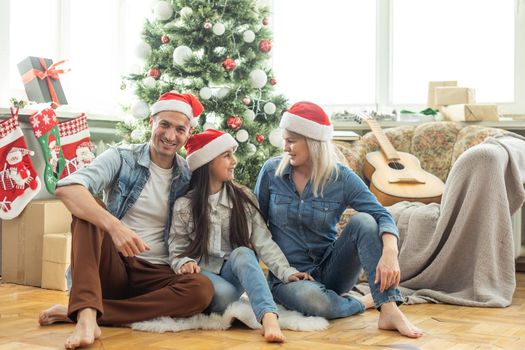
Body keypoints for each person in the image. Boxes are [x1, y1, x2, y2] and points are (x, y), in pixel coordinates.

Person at [38, 92, 214, 349]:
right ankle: (86, 316)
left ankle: (82, 310)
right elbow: (67, 188)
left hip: (158, 274)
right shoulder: (122, 157)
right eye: (164, 124)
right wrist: (114, 226)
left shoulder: (190, 175)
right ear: (151, 123)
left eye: (180, 129)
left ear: (188, 134)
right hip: (114, 266)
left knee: (202, 290)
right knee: (90, 211)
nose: (170, 135)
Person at [254, 101, 423, 338]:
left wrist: (390, 252)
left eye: (291, 140)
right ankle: (363, 302)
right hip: (289, 278)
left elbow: (380, 214)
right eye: (285, 139)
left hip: (331, 270)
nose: (285, 147)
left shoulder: (340, 177)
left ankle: (388, 308)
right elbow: (254, 225)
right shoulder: (272, 172)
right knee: (315, 301)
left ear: (313, 142)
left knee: (364, 221)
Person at [169, 129, 312, 343]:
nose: (234, 161)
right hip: (206, 277)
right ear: (207, 162)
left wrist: (286, 271)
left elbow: (264, 241)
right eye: (227, 155)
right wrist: (185, 262)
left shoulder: (243, 198)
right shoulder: (184, 206)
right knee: (224, 295)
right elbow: (177, 248)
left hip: (233, 274)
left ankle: (269, 317)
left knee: (244, 253)